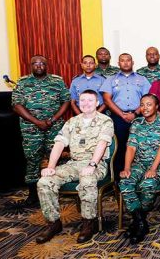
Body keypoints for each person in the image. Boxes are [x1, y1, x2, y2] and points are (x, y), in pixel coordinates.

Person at [36, 90, 114, 244]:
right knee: (44, 182)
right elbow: (59, 144)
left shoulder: (105, 121)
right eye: (82, 100)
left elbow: (102, 143)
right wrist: (51, 166)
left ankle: (88, 222)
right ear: (78, 103)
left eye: (90, 100)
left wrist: (92, 164)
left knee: (87, 179)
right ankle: (54, 223)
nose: (86, 103)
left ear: (97, 103)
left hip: (96, 164)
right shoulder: (71, 122)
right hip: (74, 164)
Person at [12, 55, 71, 207]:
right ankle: (33, 195)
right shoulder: (23, 82)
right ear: (30, 65)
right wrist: (37, 121)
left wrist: (52, 120)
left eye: (42, 63)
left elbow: (66, 101)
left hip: (54, 127)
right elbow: (17, 105)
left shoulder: (57, 81)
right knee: (32, 159)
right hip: (31, 128)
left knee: (56, 159)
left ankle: (56, 191)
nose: (39, 66)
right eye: (35, 63)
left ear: (47, 65)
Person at [119, 94, 160, 244]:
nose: (145, 108)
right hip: (140, 163)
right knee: (125, 182)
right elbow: (131, 147)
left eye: (149, 104)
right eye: (142, 105)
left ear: (156, 107)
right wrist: (127, 168)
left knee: (147, 184)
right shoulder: (136, 123)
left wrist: (154, 169)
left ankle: (137, 221)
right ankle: (141, 222)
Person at [100, 53, 151, 180]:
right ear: (118, 63)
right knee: (120, 147)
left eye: (128, 60)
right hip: (118, 117)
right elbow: (107, 99)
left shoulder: (142, 79)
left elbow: (148, 99)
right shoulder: (110, 79)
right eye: (122, 60)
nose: (126, 63)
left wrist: (135, 113)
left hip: (139, 117)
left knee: (140, 146)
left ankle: (139, 177)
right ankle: (118, 178)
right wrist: (122, 114)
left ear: (132, 62)